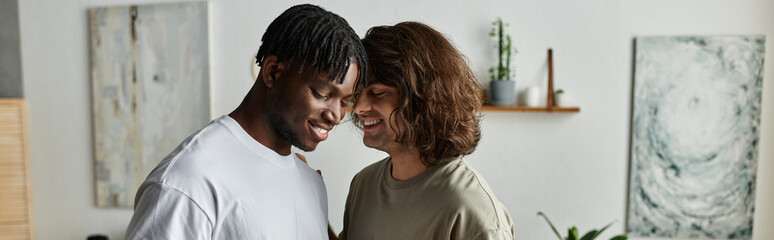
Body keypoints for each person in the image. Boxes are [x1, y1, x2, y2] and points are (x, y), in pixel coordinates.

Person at [125, 4, 367, 239]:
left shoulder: (312, 185)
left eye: (345, 101)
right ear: (273, 72)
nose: (336, 115)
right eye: (323, 94)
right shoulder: (188, 183)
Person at [334, 22, 514, 239]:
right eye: (357, 92)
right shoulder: (363, 185)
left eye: (378, 92)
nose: (359, 107)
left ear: (424, 98)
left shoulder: (471, 212)